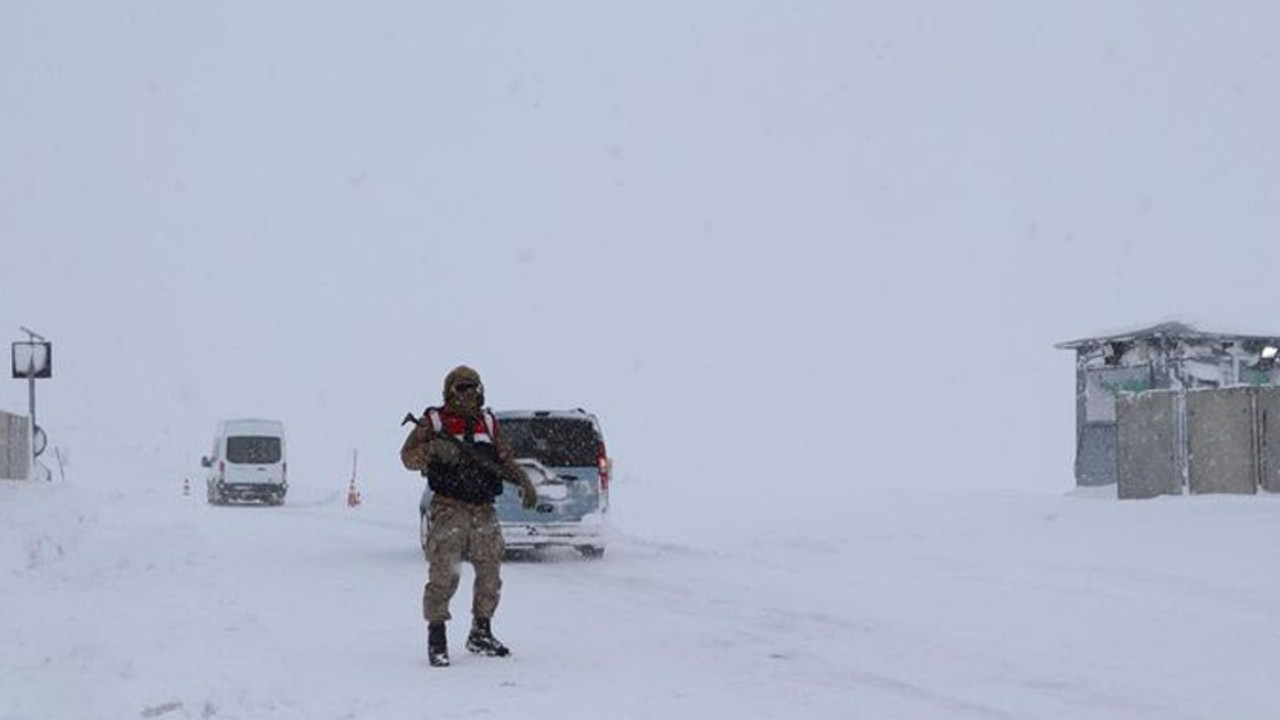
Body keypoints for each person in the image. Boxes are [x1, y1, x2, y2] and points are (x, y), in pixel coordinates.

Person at [400, 365, 538, 667]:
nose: (469, 393)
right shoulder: (434, 421)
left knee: (490, 573)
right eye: (462, 388)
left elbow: (504, 458)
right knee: (443, 575)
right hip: (449, 508)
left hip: (484, 509)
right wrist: (434, 449)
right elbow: (407, 457)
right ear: (450, 390)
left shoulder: (488, 422)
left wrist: (524, 482)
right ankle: (437, 638)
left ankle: (481, 633)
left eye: (473, 387)